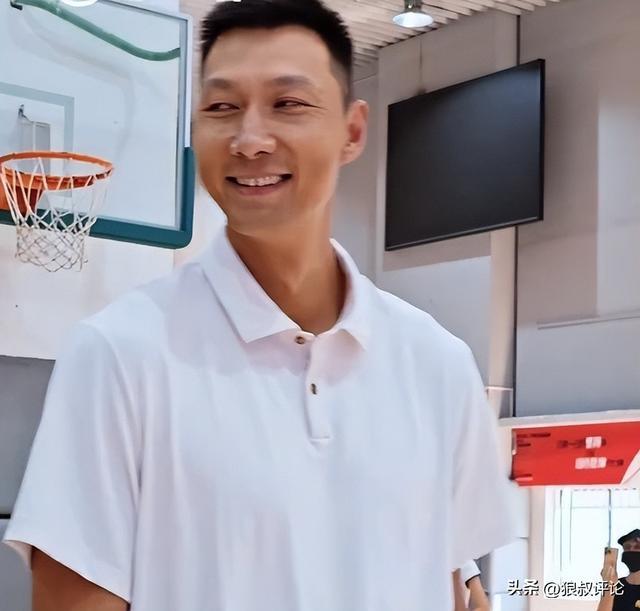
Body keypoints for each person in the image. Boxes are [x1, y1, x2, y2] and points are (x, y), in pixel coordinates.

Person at [2, 1, 518, 609]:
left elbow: (453, 587)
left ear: (352, 131)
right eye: (222, 107)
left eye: (288, 103)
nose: (249, 140)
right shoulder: (119, 354)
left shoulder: (438, 365)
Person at [598, 529, 640, 611]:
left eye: (637, 546)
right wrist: (609, 586)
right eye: (627, 547)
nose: (631, 550)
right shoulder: (616, 586)